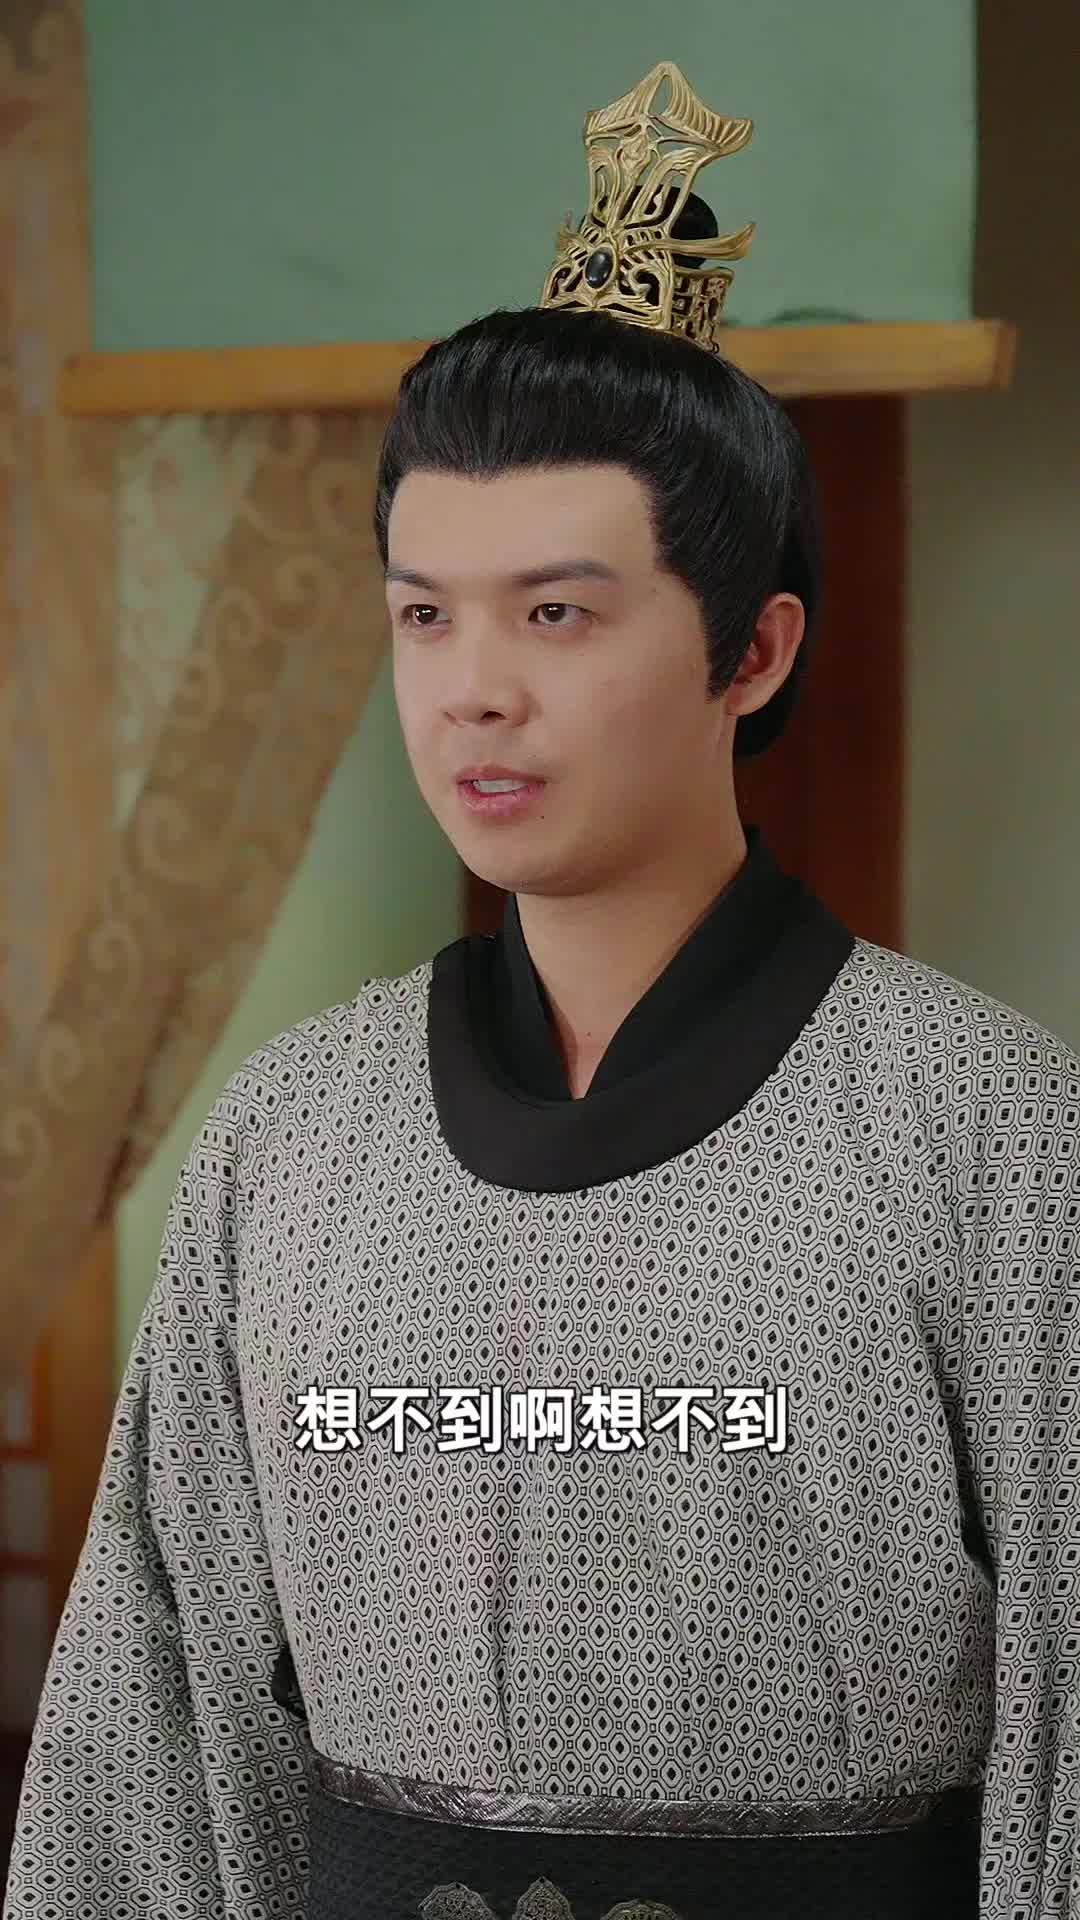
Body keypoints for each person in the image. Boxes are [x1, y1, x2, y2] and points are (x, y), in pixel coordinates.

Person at [5, 61, 1079, 1920]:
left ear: (754, 651)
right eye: (426, 613)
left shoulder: (985, 1122)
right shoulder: (291, 1131)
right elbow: (152, 1721)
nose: (471, 690)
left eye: (556, 614)